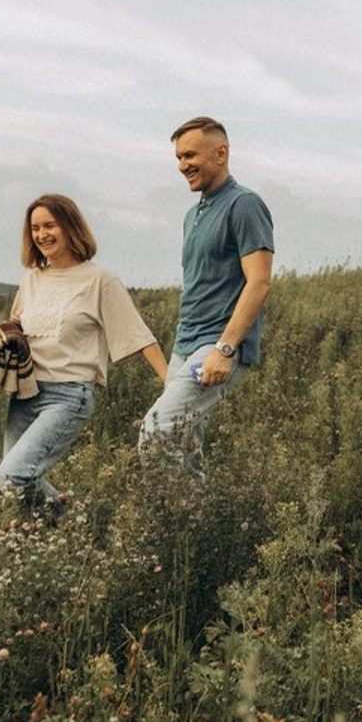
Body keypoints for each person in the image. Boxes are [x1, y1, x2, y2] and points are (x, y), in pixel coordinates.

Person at [0, 194, 169, 510]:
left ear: (70, 226)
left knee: (12, 476)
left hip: (68, 395)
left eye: (50, 225)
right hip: (24, 394)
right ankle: (49, 541)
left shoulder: (99, 280)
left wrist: (170, 385)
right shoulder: (32, 280)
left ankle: (66, 520)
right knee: (14, 488)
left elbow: (138, 334)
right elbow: (15, 333)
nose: (42, 234)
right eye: (35, 228)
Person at [138, 116, 274, 480]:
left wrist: (225, 350)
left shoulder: (244, 205)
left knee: (154, 433)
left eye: (191, 155)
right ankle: (193, 529)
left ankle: (186, 518)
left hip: (215, 346)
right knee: (183, 445)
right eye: (179, 158)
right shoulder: (192, 214)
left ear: (221, 153)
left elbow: (259, 282)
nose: (183, 165)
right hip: (185, 345)